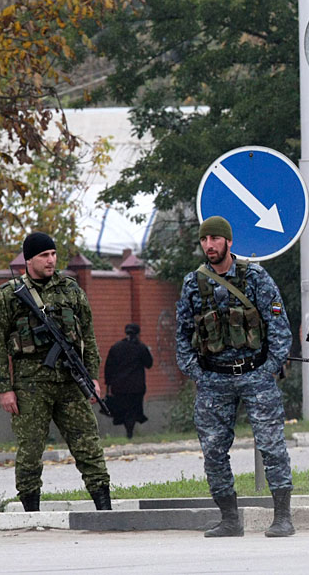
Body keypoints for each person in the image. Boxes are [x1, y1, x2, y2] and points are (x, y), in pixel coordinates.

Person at [176, 216, 294, 538]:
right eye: (204, 239)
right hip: (213, 379)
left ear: (229, 242)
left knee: (271, 446)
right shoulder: (193, 283)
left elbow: (279, 326)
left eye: (215, 239)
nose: (209, 245)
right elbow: (183, 334)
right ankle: (229, 519)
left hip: (255, 374)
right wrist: (196, 372)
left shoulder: (255, 277)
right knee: (213, 450)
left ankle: (283, 517)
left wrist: (269, 368)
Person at [0, 232, 112, 511]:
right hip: (31, 385)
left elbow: (88, 337)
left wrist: (92, 376)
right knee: (30, 450)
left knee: (88, 445)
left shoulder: (71, 290)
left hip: (70, 382)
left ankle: (104, 507)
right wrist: (5, 388)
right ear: (29, 260)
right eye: (44, 255)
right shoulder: (9, 295)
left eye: (53, 254)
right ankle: (31, 512)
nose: (51, 260)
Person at [104, 323, 153, 439]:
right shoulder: (141, 348)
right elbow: (149, 364)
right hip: (136, 387)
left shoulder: (116, 347)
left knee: (123, 410)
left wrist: (108, 384)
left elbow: (108, 367)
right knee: (133, 410)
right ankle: (130, 431)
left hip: (119, 386)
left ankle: (128, 431)